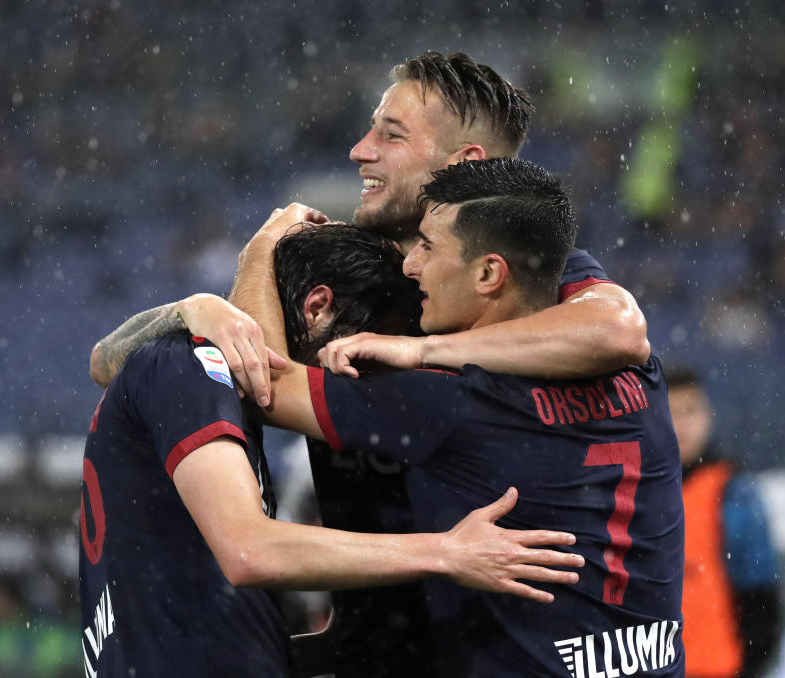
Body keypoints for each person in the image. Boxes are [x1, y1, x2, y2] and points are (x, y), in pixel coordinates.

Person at [86, 51, 651, 676]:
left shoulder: (513, 272)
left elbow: (621, 329)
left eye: (391, 134)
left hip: (493, 644)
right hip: (387, 646)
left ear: (465, 166)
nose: (360, 150)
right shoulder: (345, 272)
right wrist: (197, 308)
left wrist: (422, 348)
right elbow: (127, 368)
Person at [78, 221, 584, 677]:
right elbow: (249, 550)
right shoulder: (189, 366)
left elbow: (106, 360)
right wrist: (448, 551)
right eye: (366, 349)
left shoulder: (195, 383)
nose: (366, 379)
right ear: (318, 307)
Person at [247, 159, 685, 676]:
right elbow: (611, 325)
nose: (411, 266)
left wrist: (260, 252)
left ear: (488, 273)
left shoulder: (449, 400)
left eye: (428, 246)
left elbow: (266, 385)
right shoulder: (642, 376)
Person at [665, 367, 781, 678]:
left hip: (718, 665)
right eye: (671, 412)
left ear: (708, 415)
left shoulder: (735, 491)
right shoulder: (638, 490)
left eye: (690, 410)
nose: (682, 423)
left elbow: (761, 594)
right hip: (652, 666)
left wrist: (751, 662)